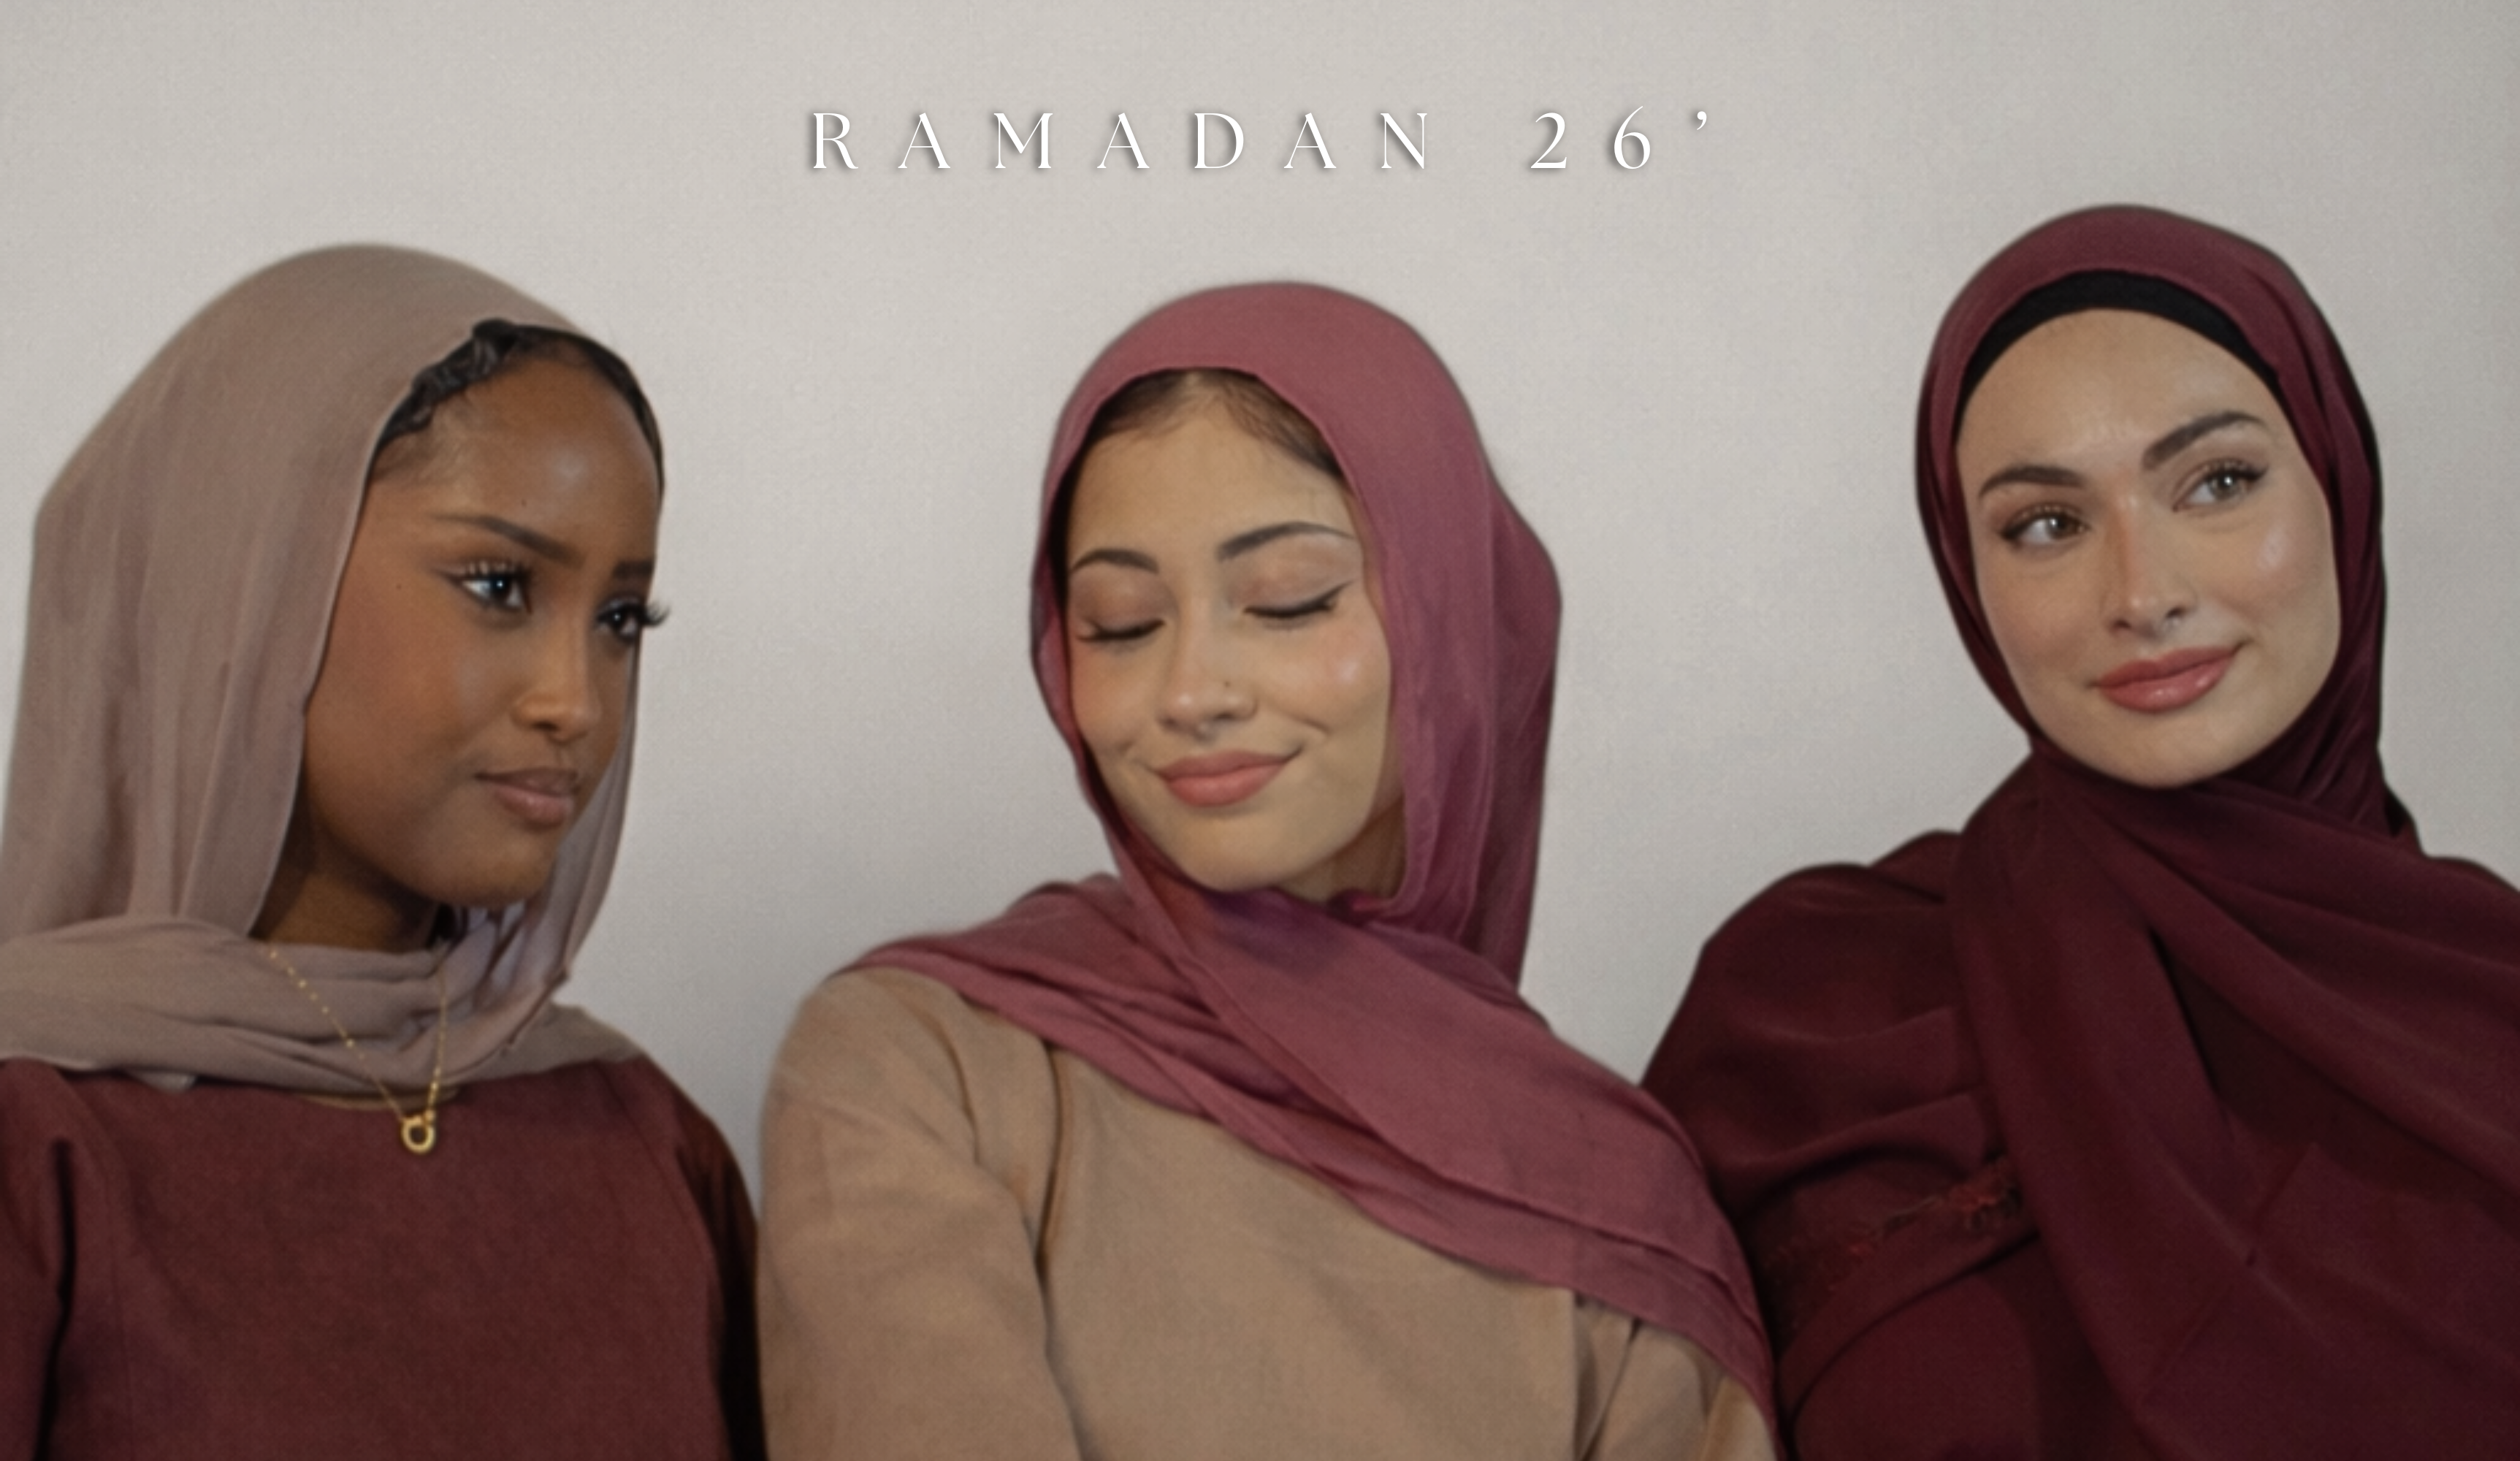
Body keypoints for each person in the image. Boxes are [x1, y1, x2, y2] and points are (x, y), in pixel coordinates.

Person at [760, 282, 1775, 1459]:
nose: (1192, 691)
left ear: (1449, 618)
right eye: (1120, 623)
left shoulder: (1616, 1205)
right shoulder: (921, 1062)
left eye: (1287, 603)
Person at [1644, 205, 2520, 1457]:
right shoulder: (1808, 1017)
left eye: (2217, 483)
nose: (2142, 593)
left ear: (2338, 486)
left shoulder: (2491, 1015)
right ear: (1967, 571)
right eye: (2045, 524)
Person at [0, 245, 763, 1458]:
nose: (575, 701)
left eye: (622, 618)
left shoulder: (644, 1140)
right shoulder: (37, 1139)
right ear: (248, 586)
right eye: (499, 585)